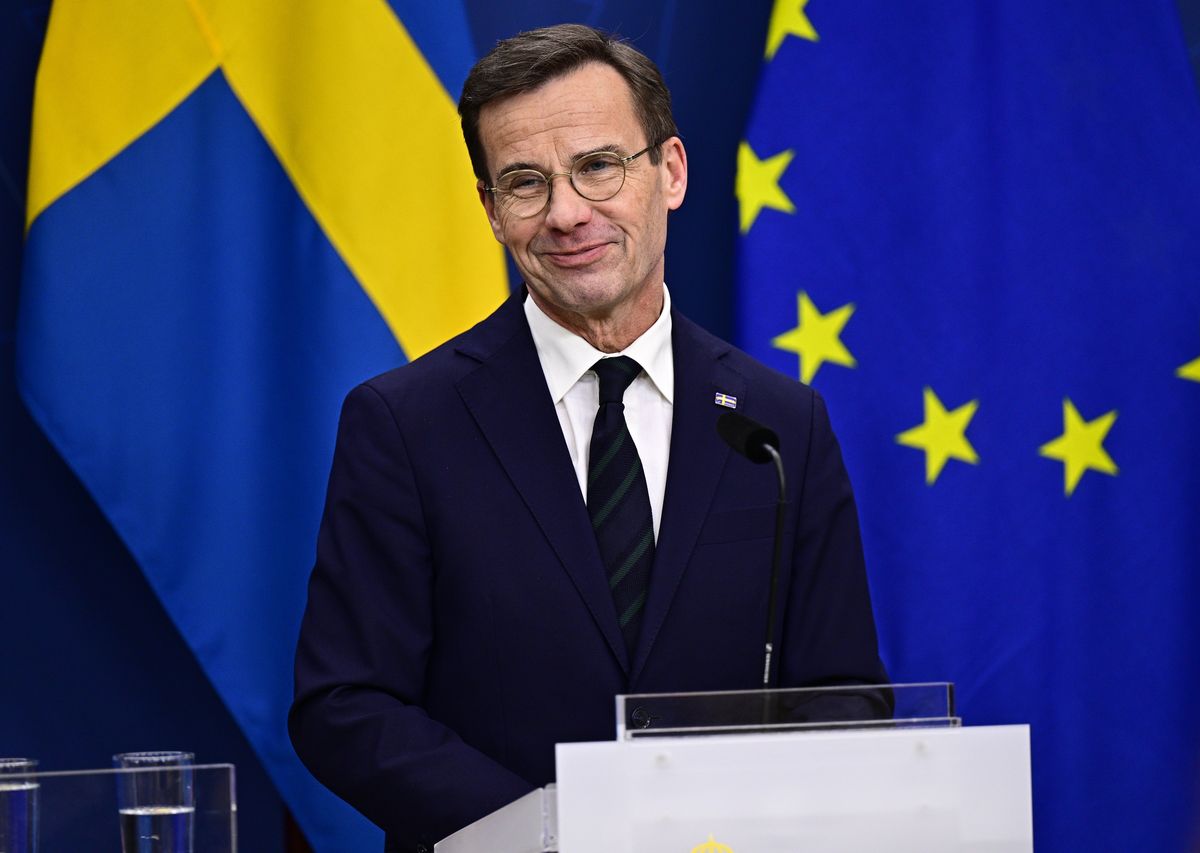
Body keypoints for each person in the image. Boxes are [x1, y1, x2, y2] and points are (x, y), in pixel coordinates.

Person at [289, 23, 887, 851]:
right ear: (493, 212)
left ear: (669, 172)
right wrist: (553, 832)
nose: (568, 214)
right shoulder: (403, 424)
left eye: (598, 166)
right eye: (526, 183)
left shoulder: (782, 425)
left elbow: (843, 692)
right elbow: (345, 704)